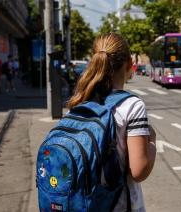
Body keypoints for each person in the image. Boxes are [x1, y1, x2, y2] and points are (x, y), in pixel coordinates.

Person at [66, 33, 156, 212]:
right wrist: (152, 141)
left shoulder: (78, 102)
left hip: (82, 204)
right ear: (130, 64)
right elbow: (139, 171)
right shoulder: (132, 105)